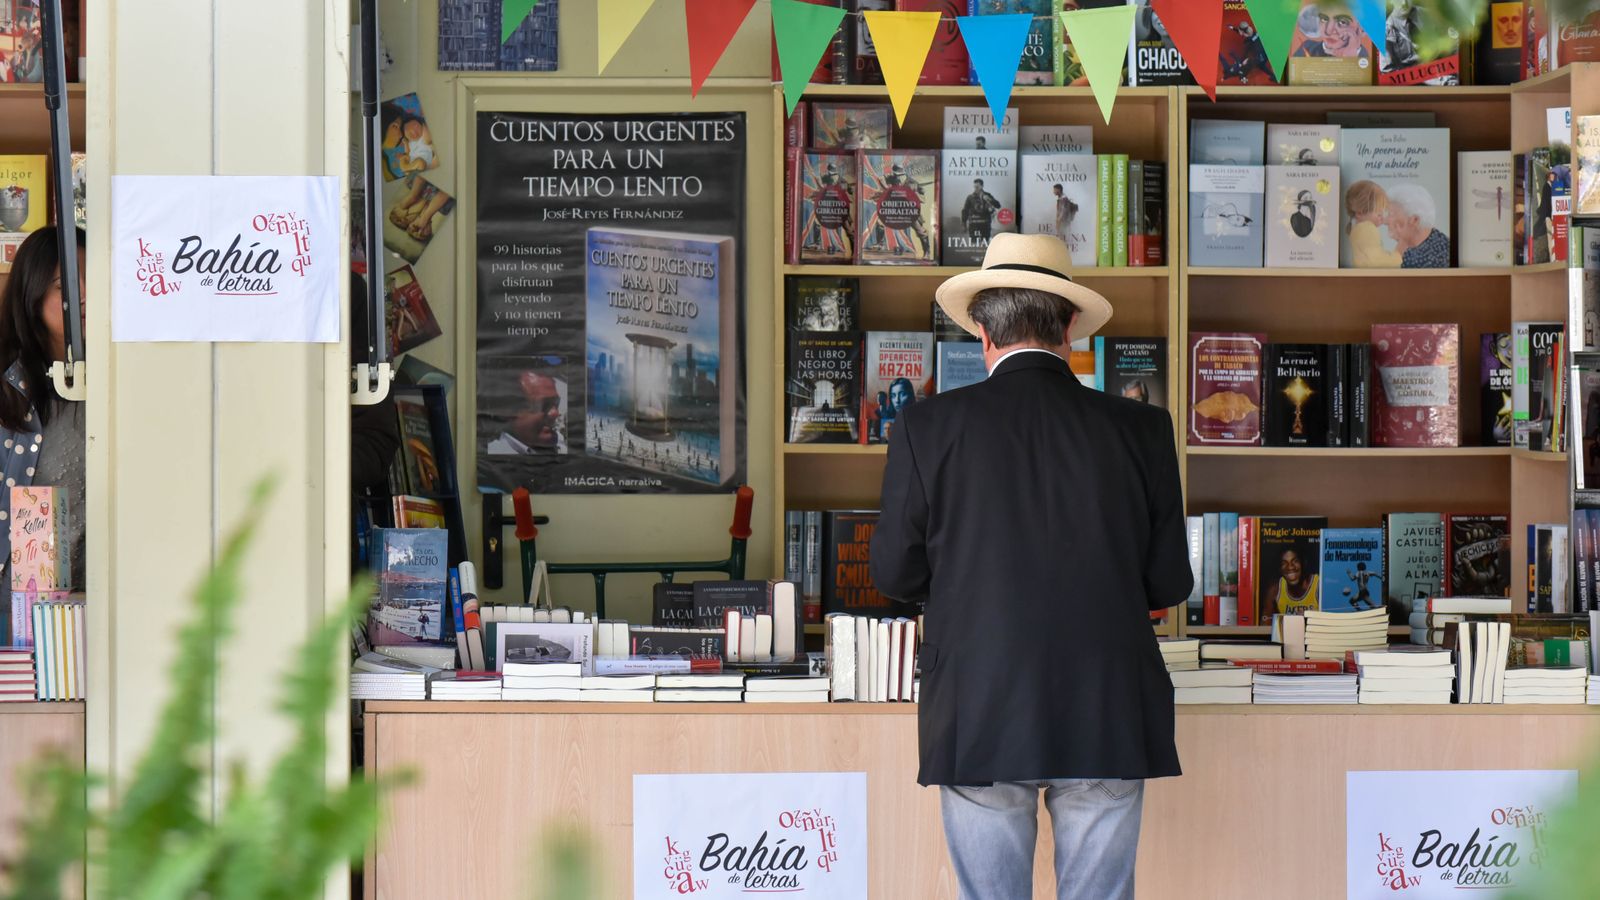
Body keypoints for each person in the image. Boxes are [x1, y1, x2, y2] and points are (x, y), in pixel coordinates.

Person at [871, 233, 1191, 900]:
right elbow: (1169, 584)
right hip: (1106, 705)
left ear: (983, 333)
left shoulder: (926, 428)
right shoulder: (1143, 429)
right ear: (1071, 328)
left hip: (980, 706)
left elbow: (895, 577)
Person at [0, 227, 87, 589]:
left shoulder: (120, 386)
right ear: (32, 295)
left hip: (106, 611)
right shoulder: (10, 390)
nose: (85, 296)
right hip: (19, 617)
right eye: (64, 285)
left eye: (93, 279)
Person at [487, 369, 566, 454]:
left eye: (556, 403)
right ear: (508, 412)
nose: (555, 413)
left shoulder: (563, 445)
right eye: (545, 405)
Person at [1386, 183, 1450, 268]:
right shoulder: (1413, 246)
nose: (1386, 221)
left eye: (1391, 214)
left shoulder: (1435, 258)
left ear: (1414, 220)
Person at [1345, 180, 1401, 267]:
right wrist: (1398, 256)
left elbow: (1372, 254)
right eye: (1378, 213)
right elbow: (1377, 261)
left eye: (1382, 212)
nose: (1382, 217)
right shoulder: (1367, 229)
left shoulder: (1357, 229)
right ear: (1360, 213)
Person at [1263, 545, 1320, 615]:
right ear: (1280, 569)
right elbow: (1265, 623)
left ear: (1303, 563)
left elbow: (1332, 617)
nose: (1290, 567)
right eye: (1284, 563)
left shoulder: (1319, 585)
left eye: (1295, 561)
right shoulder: (1275, 590)